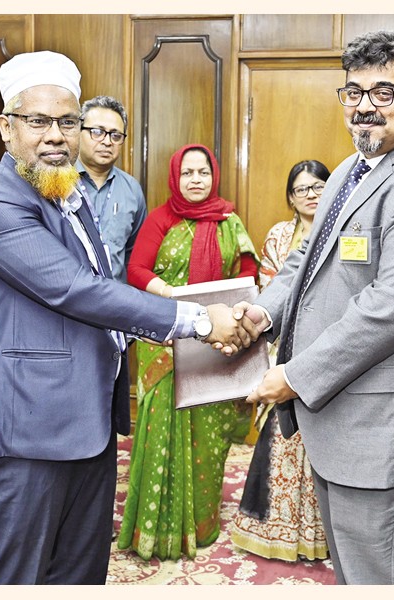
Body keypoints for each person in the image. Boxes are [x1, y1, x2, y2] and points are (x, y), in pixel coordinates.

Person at [0, 51, 257, 584]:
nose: (55, 136)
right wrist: (198, 321)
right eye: (38, 121)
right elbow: (76, 290)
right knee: (18, 577)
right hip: (28, 429)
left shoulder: (64, 192)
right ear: (7, 127)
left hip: (88, 420)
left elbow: (106, 286)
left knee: (80, 573)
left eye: (67, 122)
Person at [239, 31, 394, 584]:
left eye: (383, 92)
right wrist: (263, 313)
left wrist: (294, 376)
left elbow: (390, 309)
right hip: (346, 424)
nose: (364, 106)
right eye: (353, 92)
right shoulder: (352, 171)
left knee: (383, 578)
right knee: (355, 577)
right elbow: (305, 258)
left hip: (389, 434)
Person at [118, 143, 259, 560]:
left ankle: (201, 521)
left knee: (208, 437)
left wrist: (231, 312)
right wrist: (177, 298)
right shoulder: (161, 219)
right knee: (161, 429)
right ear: (175, 177)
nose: (195, 180)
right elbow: (136, 270)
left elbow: (247, 272)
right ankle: (158, 530)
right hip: (166, 338)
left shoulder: (229, 222)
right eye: (187, 173)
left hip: (215, 343)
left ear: (214, 176)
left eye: (203, 172)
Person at [231, 160, 332, 562]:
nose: (310, 195)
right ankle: (281, 531)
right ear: (291, 198)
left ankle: (320, 533)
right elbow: (272, 288)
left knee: (322, 437)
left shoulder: (340, 227)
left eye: (318, 186)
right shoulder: (279, 236)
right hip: (282, 346)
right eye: (301, 189)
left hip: (328, 348)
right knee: (283, 437)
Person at [77, 95, 147, 282]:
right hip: (69, 295)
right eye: (97, 132)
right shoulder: (58, 183)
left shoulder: (132, 190)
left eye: (115, 135)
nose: (107, 142)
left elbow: (134, 254)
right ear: (78, 131)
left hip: (117, 295)